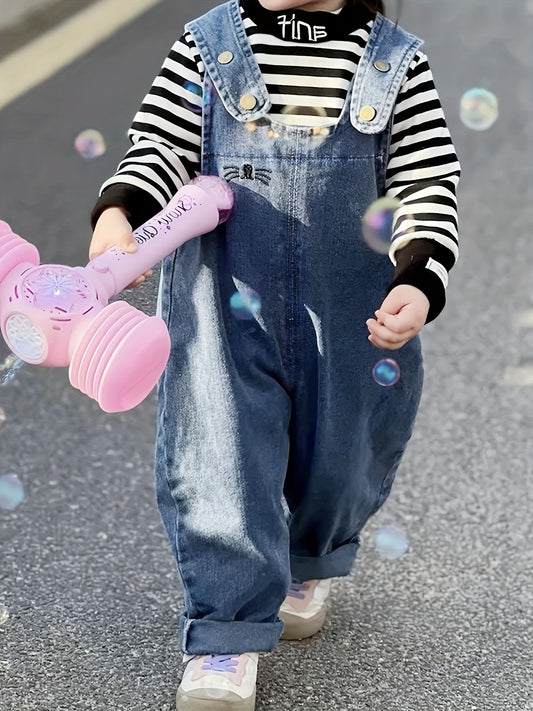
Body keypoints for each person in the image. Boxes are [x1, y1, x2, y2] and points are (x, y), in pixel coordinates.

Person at [89, 0, 460, 708]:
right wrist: (119, 217)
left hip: (355, 313)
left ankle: (306, 555)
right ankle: (226, 631)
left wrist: (417, 277)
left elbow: (425, 182)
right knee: (218, 455)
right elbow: (157, 146)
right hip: (222, 305)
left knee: (342, 452)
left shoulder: (394, 60)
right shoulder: (209, 46)